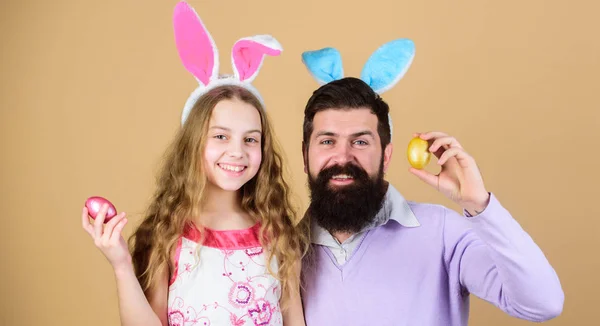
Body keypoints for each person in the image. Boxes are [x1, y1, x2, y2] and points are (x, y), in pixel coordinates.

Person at [298, 40, 564, 325]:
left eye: (360, 141)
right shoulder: (284, 249)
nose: (343, 157)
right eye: (327, 141)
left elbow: (541, 303)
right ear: (305, 156)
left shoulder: (443, 233)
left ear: (386, 156)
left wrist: (480, 206)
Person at [81, 2, 309, 325]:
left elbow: (294, 319)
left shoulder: (277, 234)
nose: (237, 152)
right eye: (220, 137)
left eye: (250, 139)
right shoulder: (168, 233)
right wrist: (120, 264)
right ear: (193, 144)